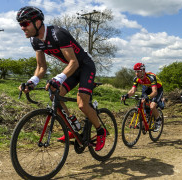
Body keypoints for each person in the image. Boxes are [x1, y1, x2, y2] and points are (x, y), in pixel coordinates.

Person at [16, 6, 106, 151]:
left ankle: (101, 131)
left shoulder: (57, 34)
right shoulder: (35, 41)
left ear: (37, 22)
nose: (22, 28)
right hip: (73, 68)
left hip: (84, 66)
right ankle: (73, 125)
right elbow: (41, 67)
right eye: (20, 24)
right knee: (54, 95)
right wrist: (32, 82)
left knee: (82, 104)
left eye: (25, 23)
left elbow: (74, 62)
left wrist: (58, 78)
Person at [121, 63, 163, 131]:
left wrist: (148, 97)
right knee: (141, 102)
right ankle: (146, 118)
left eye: (138, 71)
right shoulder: (136, 79)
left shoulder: (151, 77)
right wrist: (126, 95)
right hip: (148, 88)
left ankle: (158, 120)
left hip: (157, 89)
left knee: (152, 106)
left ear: (143, 71)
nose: (136, 73)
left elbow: (155, 92)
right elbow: (132, 91)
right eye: (135, 71)